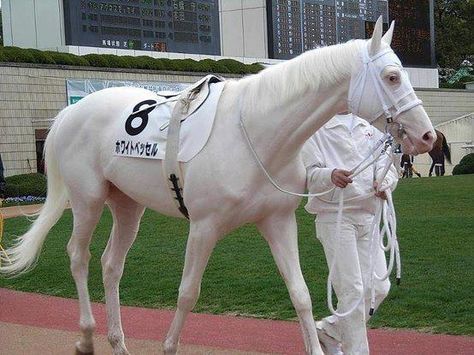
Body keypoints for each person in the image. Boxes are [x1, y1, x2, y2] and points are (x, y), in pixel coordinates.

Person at [302, 112, 399, 355]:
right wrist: (330, 175)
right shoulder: (315, 129)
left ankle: (329, 331)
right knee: (352, 292)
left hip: (369, 215)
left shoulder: (370, 127)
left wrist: (384, 182)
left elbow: (388, 167)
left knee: (379, 287)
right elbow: (309, 175)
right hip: (335, 216)